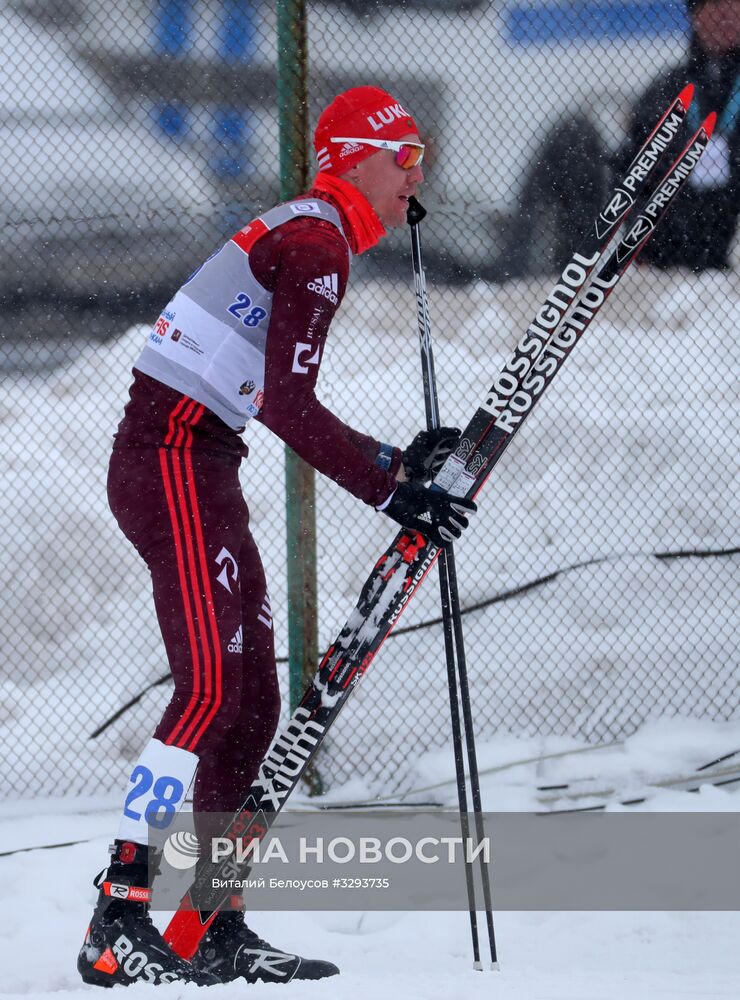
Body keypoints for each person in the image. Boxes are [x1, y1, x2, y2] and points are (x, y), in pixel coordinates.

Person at [77, 85, 475, 988]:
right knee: (213, 690)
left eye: (421, 164)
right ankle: (121, 904)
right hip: (170, 456)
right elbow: (289, 405)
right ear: (355, 158)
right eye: (402, 160)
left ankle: (214, 921)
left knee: (254, 703)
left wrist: (396, 467)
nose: (413, 182)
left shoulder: (315, 234)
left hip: (203, 461)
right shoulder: (317, 240)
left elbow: (275, 399)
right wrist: (389, 488)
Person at [491, 0, 739, 278]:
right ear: (695, 17)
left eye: (734, 5)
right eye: (715, 5)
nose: (726, 15)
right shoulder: (668, 90)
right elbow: (628, 170)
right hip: (665, 265)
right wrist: (641, 236)